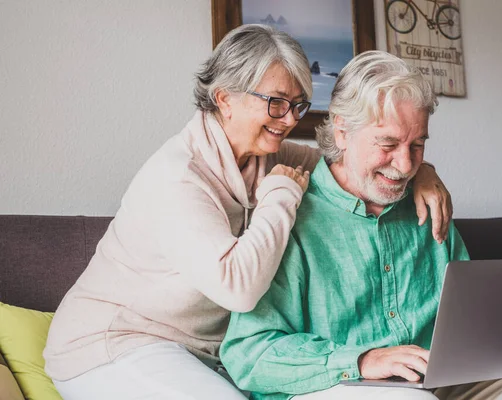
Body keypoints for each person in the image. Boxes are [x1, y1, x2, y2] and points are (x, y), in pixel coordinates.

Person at [43, 26, 453, 400]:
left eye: (298, 105)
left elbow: (345, 163)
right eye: (276, 103)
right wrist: (279, 196)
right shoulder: (178, 176)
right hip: (117, 341)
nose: (290, 120)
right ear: (224, 98)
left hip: (200, 351)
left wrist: (422, 174)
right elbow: (238, 287)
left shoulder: (265, 154)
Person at [220, 51, 502, 400]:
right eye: (388, 144)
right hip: (332, 384)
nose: (406, 165)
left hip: (439, 381)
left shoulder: (429, 204)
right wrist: (361, 360)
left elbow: (474, 326)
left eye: (418, 145)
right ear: (342, 132)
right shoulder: (291, 215)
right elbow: (248, 353)